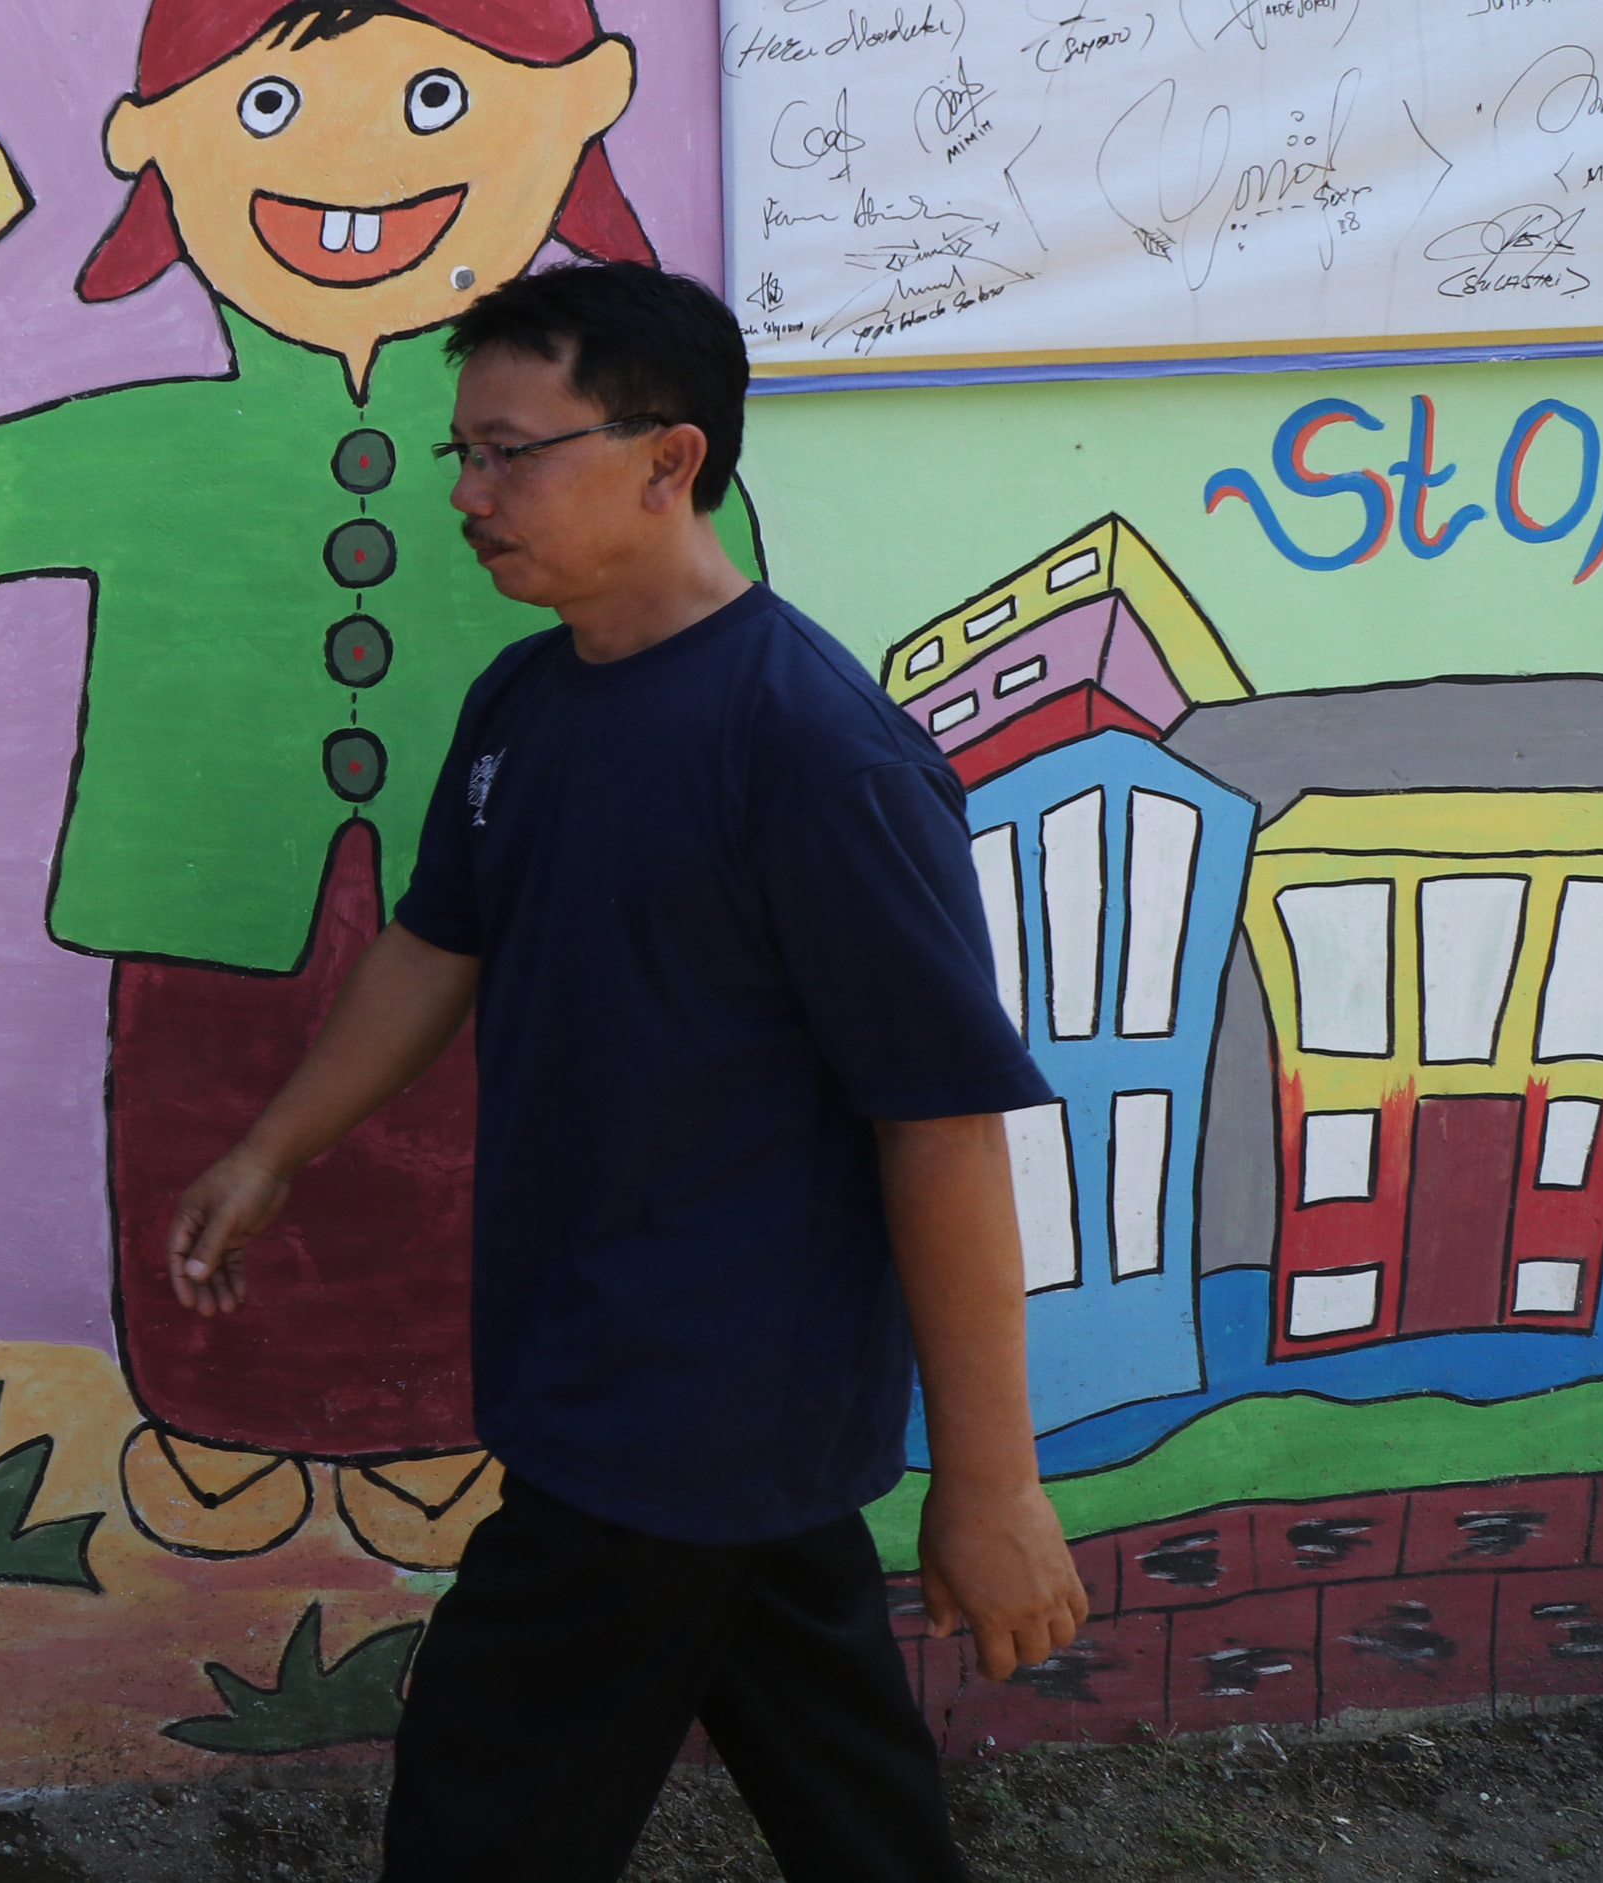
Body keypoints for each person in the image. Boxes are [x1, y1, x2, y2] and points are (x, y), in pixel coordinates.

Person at [0, 0, 752, 1567]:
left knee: (459, 1149)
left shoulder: (567, 428)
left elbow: (691, 588)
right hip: (197, 893)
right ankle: (217, 1411)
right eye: (268, 100)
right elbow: (2, 485)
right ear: (160, 143)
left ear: (575, 115)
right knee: (197, 1130)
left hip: (491, 899)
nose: (360, 164)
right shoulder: (169, 438)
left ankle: (436, 1416)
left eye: (434, 99)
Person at [165, 261, 1087, 1883]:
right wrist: (273, 1151)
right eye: (463, 452)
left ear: (670, 462)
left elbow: (940, 1124)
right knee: (836, 1768)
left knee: (486, 1793)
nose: (469, 493)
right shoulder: (529, 697)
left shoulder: (812, 749)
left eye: (513, 451)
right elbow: (435, 948)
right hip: (630, 1360)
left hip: (690, 1399)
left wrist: (994, 1488)